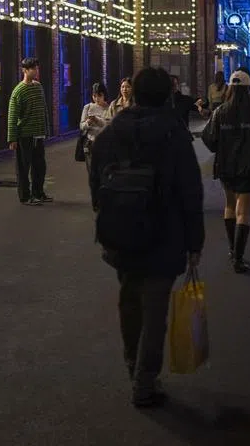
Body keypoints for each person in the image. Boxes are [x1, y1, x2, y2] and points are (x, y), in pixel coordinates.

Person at [88, 67, 205, 408]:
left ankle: (132, 365)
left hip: (120, 230)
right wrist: (194, 242)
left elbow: (96, 177)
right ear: (166, 95)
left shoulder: (114, 130)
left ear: (134, 93)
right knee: (155, 308)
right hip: (164, 233)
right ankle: (144, 378)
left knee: (129, 299)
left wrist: (104, 210)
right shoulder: (174, 134)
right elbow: (190, 191)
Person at [200, 70, 250, 274]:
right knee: (243, 210)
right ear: (248, 88)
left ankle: (233, 250)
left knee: (230, 205)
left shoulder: (220, 112)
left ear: (230, 88)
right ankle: (238, 258)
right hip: (248, 166)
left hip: (225, 166)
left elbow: (209, 139)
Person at [8, 57, 51, 205]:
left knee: (40, 166)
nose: (36, 71)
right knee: (23, 167)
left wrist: (46, 130)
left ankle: (38, 192)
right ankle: (25, 196)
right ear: (25, 70)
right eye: (33, 69)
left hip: (38, 134)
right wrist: (12, 139)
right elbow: (12, 116)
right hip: (25, 135)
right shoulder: (18, 91)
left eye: (37, 68)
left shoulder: (38, 87)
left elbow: (44, 109)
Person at [79, 82, 112, 178]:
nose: (97, 99)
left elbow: (109, 126)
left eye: (99, 96)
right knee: (93, 173)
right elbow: (81, 126)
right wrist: (88, 123)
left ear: (104, 95)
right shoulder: (88, 107)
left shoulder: (109, 107)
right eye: (94, 96)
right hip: (90, 144)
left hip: (105, 144)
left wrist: (97, 120)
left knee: (105, 172)